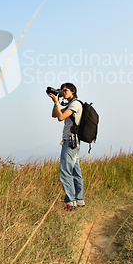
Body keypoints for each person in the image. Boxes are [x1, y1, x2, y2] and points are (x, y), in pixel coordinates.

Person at [48, 82, 85, 211]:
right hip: (72, 142)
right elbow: (54, 114)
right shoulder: (70, 104)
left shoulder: (75, 104)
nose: (63, 93)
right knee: (75, 172)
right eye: (62, 90)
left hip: (70, 142)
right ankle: (79, 200)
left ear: (73, 91)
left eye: (66, 90)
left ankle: (71, 201)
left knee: (65, 172)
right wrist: (55, 102)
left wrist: (57, 103)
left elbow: (61, 117)